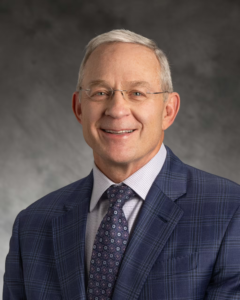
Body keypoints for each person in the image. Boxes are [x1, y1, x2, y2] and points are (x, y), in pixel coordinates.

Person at [3, 29, 240, 300]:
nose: (116, 109)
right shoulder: (32, 225)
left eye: (137, 93)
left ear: (168, 110)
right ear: (79, 107)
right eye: (101, 92)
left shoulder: (231, 212)